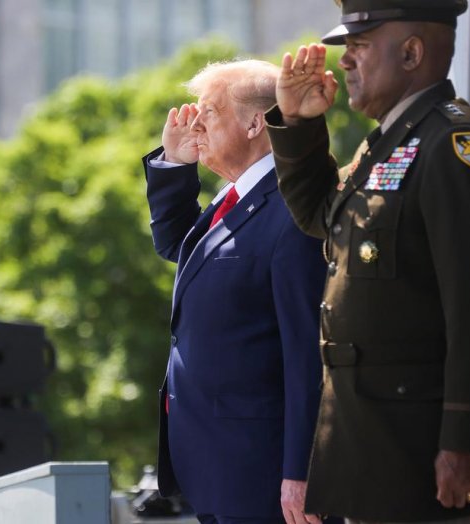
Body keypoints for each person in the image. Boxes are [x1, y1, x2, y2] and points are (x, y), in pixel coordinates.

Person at [264, 1, 470, 523]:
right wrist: (299, 124)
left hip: (426, 460)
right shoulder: (389, 147)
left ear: (412, 52)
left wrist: (465, 440)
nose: (345, 60)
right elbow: (325, 218)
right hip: (374, 450)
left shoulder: (456, 148)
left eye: (361, 45)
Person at [143, 59, 327, 524]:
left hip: (260, 472)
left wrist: (301, 470)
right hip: (215, 462)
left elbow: (307, 355)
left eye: (210, 111)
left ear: (254, 123)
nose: (197, 122)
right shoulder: (237, 199)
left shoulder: (291, 210)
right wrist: (174, 166)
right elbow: (180, 247)